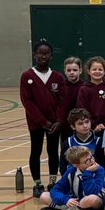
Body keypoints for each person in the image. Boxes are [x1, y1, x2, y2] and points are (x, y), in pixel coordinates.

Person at [20, 39, 66, 197]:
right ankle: (37, 183)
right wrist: (42, 121)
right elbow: (28, 102)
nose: (43, 56)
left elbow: (62, 101)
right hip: (36, 123)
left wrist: (59, 120)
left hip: (54, 124)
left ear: (51, 56)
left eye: (46, 54)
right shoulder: (27, 76)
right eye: (40, 53)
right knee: (36, 150)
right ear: (34, 55)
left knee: (53, 151)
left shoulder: (58, 77)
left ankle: (52, 181)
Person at [38, 146, 105, 210]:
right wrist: (66, 200)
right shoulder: (71, 172)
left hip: (95, 202)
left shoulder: (99, 170)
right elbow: (56, 190)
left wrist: (87, 173)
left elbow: (92, 192)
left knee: (92, 198)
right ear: (77, 165)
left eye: (91, 157)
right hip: (77, 201)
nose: (92, 161)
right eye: (87, 161)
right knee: (44, 196)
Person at [76, 56, 105, 132]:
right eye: (94, 69)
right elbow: (81, 109)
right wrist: (93, 125)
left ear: (104, 71)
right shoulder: (84, 89)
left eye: (100, 69)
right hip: (89, 128)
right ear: (88, 71)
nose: (97, 71)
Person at [62, 108, 100, 172]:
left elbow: (101, 164)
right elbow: (63, 165)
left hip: (93, 178)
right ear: (73, 127)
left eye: (87, 122)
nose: (85, 126)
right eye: (80, 123)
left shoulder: (98, 141)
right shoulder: (68, 142)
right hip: (73, 179)